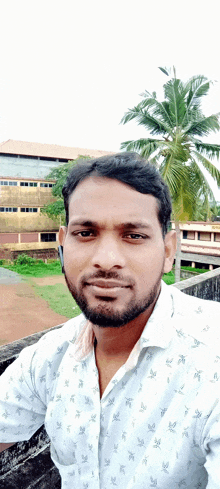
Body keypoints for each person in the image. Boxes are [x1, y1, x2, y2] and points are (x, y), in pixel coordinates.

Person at [0, 152, 220, 489]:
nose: (106, 260)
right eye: (86, 233)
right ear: (63, 245)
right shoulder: (50, 357)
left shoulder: (211, 360)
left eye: (133, 236)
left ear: (167, 250)